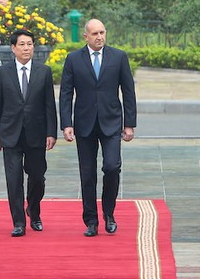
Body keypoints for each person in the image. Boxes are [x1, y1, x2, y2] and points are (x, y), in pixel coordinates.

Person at [59, 18, 137, 237]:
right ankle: (91, 220)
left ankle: (109, 214)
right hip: (84, 124)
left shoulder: (118, 57)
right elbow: (66, 93)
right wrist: (66, 124)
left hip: (112, 122)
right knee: (87, 174)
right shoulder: (73, 59)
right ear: (86, 36)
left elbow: (128, 91)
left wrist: (129, 124)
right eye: (94, 33)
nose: (99, 37)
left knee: (112, 167)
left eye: (102, 32)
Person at [0, 29, 57, 237]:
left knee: (37, 177)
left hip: (37, 133)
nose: (26, 48)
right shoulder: (3, 72)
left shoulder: (43, 72)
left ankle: (34, 212)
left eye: (29, 44)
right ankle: (18, 222)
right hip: (10, 134)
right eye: (22, 44)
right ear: (13, 48)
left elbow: (49, 106)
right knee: (13, 179)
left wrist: (51, 133)